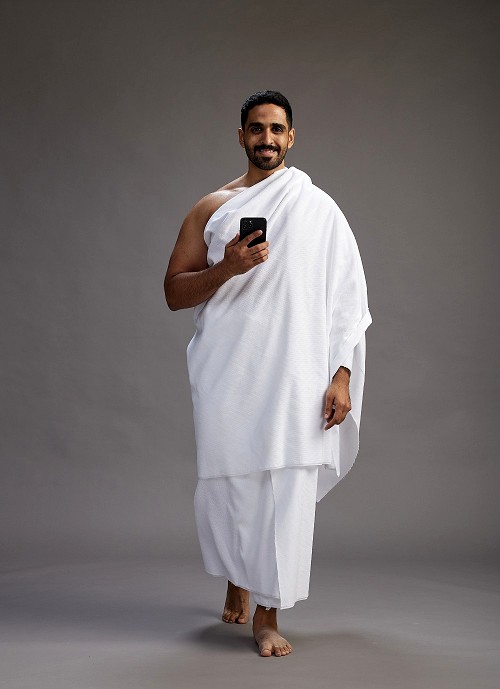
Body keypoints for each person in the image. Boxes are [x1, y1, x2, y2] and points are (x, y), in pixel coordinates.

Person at [164, 91, 371, 657]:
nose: (267, 139)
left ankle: (267, 613)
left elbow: (348, 301)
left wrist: (341, 376)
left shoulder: (319, 210)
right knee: (231, 484)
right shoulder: (211, 208)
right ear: (241, 136)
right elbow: (174, 292)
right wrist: (228, 267)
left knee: (284, 489)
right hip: (228, 372)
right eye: (256, 129)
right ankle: (238, 575)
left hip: (294, 376)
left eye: (277, 129)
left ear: (291, 137)